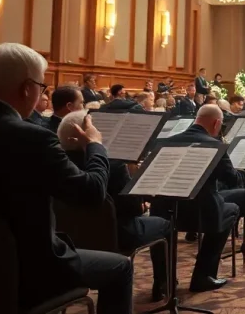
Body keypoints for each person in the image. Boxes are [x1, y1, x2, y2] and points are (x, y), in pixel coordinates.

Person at [0, 43, 133, 313]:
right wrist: (95, 146)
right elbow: (91, 194)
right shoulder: (34, 138)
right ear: (27, 88)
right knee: (120, 267)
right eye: (42, 87)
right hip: (26, 270)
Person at [58, 110, 171, 302]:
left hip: (68, 239)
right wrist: (141, 203)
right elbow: (133, 209)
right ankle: (163, 283)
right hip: (116, 235)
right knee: (165, 224)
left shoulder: (56, 162)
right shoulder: (114, 165)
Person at [164, 104, 240, 292]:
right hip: (201, 214)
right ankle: (203, 276)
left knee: (161, 229)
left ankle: (162, 283)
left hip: (166, 210)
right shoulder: (215, 145)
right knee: (231, 210)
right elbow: (232, 180)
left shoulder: (166, 142)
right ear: (217, 123)